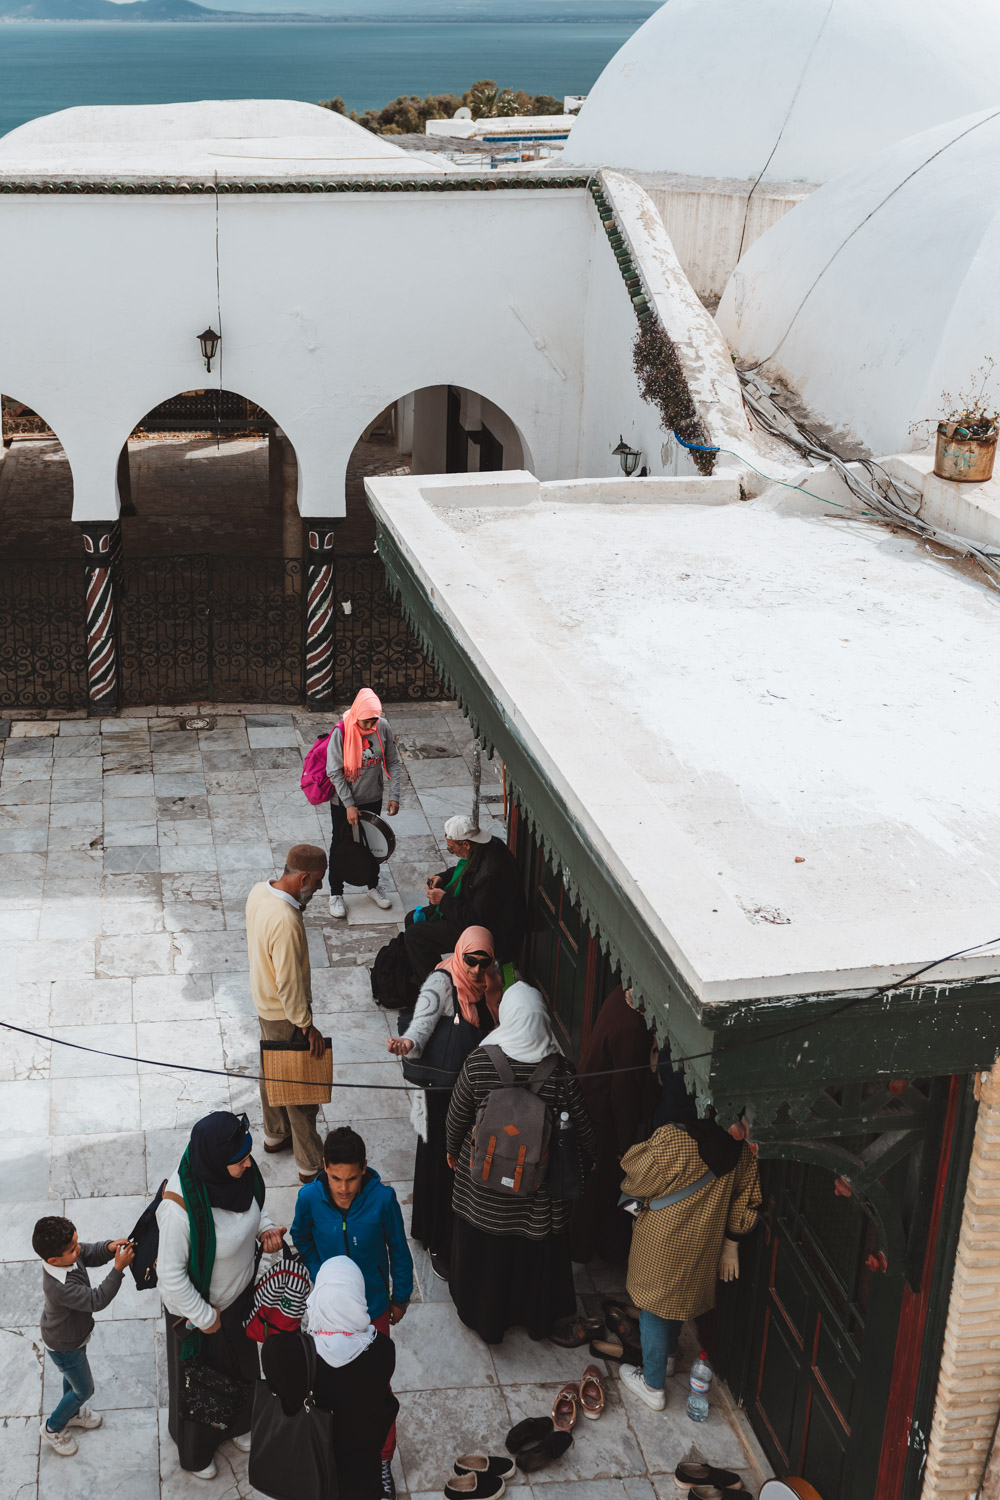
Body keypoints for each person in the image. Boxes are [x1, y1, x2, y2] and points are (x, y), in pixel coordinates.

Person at [445, 982, 597, 1345]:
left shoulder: (480, 1063)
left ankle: (486, 1319)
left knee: (487, 1253)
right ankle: (534, 1319)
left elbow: (456, 1117)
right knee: (531, 1253)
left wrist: (452, 1151)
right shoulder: (561, 1072)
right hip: (536, 1196)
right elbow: (583, 1128)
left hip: (482, 1191)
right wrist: (590, 1159)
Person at [157, 1111, 285, 1479]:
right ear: (214, 1160)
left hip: (239, 1302)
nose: (249, 1164)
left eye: (247, 1155)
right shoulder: (180, 1210)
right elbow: (170, 1277)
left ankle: (239, 1426)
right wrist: (205, 1317)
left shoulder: (238, 1175)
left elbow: (251, 1209)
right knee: (202, 1385)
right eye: (240, 1160)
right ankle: (197, 1453)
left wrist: (264, 1229)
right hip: (201, 1313)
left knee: (241, 1370)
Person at [290, 1126, 413, 1500]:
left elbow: (399, 1250)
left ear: (364, 1169)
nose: (343, 1188)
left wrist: (400, 1298)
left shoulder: (383, 1200)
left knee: (377, 1389)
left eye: (352, 1179)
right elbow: (301, 1235)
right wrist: (320, 1272)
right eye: (335, 1178)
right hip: (328, 1314)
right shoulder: (309, 1199)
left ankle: (382, 1460)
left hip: (373, 1309)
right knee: (325, 1383)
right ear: (324, 1167)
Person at [617, 1110, 761, 1412]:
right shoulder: (742, 1152)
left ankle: (652, 1385)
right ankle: (668, 1357)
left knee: (653, 1307)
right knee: (677, 1298)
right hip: (704, 1243)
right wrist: (732, 1242)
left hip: (662, 1238)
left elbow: (636, 1178)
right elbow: (747, 1198)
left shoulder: (675, 1137)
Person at [386, 924, 502, 1280]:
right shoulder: (442, 981)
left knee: (455, 1163)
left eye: (484, 962)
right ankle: (437, 1240)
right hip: (441, 1092)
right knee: (441, 1163)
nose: (477, 970)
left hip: (471, 1093)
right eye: (471, 961)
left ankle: (441, 1231)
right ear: (460, 953)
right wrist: (408, 1042)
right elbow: (423, 1021)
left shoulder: (493, 983)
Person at [259, 1257, 399, 1500]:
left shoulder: (286, 1354)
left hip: (307, 1475)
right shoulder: (383, 1351)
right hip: (360, 1478)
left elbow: (273, 1345)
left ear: (316, 1299)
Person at [371, 814, 527, 1009]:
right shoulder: (483, 846)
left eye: (452, 848)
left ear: (466, 844)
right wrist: (443, 878)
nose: (451, 852)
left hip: (492, 932)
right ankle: (431, 977)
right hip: (475, 912)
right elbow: (464, 870)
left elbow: (474, 920)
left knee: (415, 936)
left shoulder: (490, 873)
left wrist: (443, 900)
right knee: (412, 919)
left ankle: (439, 995)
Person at [246, 843, 328, 1183]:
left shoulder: (258, 892)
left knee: (271, 1071)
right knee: (300, 1089)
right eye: (318, 881)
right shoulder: (286, 920)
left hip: (264, 1005)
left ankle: (275, 1134)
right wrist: (307, 1026)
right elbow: (289, 983)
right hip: (285, 1015)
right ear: (304, 878)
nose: (320, 888)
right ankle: (310, 1163)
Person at [569, 984, 659, 1265]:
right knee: (596, 1189)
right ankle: (584, 1250)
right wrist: (625, 1144)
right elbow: (624, 1092)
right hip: (603, 1118)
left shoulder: (620, 995)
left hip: (591, 1105)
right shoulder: (632, 1029)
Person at [32, 1215, 135, 1458]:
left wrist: (108, 1248)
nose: (78, 1250)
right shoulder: (60, 1287)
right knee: (84, 1389)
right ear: (54, 1260)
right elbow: (96, 1299)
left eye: (76, 1243)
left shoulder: (67, 1256)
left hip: (73, 1336)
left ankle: (73, 1413)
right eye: (72, 1249)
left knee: (73, 1379)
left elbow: (87, 1252)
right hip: (65, 1345)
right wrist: (118, 1269)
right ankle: (53, 1428)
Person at [326, 687, 401, 919]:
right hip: (343, 802)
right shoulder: (341, 732)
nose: (369, 726)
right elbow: (334, 771)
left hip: (372, 797)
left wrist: (394, 795)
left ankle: (372, 886)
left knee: (372, 842)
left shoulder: (383, 727)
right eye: (365, 722)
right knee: (340, 842)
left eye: (373, 721)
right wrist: (349, 804)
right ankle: (336, 893)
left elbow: (393, 762)